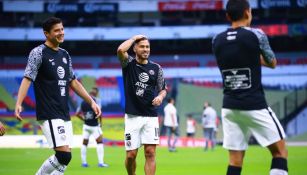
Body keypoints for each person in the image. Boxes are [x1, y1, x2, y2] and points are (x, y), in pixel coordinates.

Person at [14, 17, 101, 175]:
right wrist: (19, 103)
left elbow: (73, 82)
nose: (61, 33)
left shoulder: (65, 54)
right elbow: (27, 78)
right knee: (63, 155)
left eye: (62, 29)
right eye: (57, 30)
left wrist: (91, 101)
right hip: (48, 112)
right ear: (46, 34)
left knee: (65, 159)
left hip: (63, 112)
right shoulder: (38, 53)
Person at [212, 0, 288, 174]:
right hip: (254, 104)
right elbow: (272, 62)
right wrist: (254, 57)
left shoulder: (217, 40)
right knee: (280, 151)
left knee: (235, 161)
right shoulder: (257, 35)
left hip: (229, 106)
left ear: (228, 16)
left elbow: (228, 61)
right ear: (248, 12)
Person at [117, 34, 167, 175]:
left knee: (150, 153)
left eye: (147, 47)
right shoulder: (128, 64)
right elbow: (120, 50)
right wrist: (134, 38)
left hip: (150, 116)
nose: (145, 49)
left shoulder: (157, 68)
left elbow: (163, 89)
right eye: (142, 46)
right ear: (135, 49)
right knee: (131, 155)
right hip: (132, 116)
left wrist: (160, 97)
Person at [76, 87, 108, 168]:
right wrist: (100, 123)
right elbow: (99, 112)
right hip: (94, 126)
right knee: (100, 142)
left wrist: (84, 119)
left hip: (86, 125)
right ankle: (101, 163)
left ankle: (84, 163)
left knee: (84, 144)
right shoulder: (97, 100)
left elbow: (77, 113)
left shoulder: (83, 102)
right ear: (96, 93)